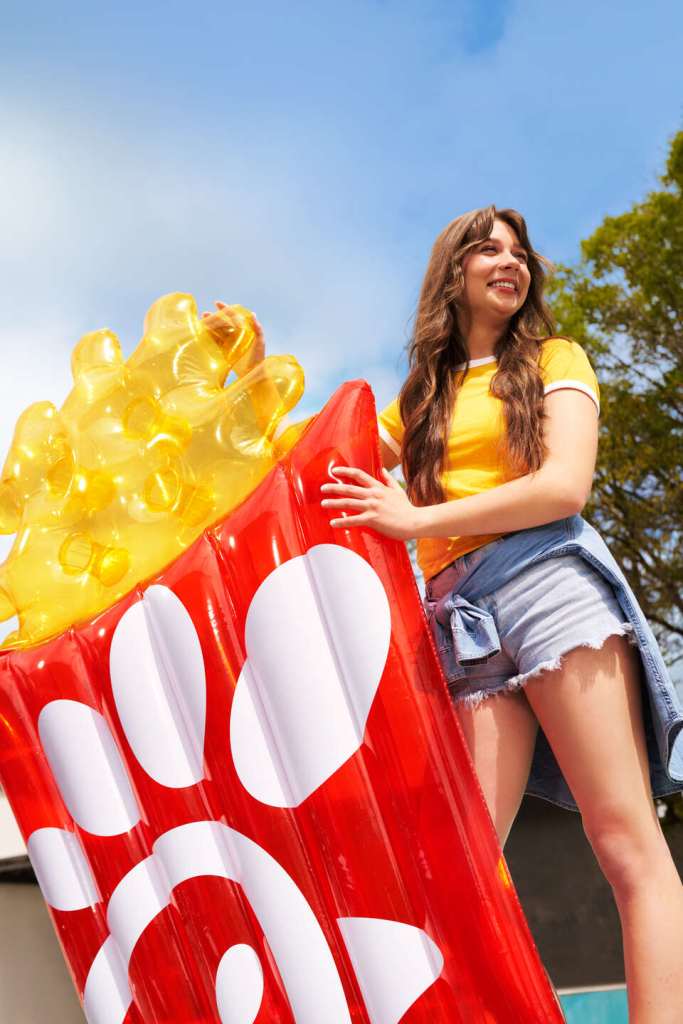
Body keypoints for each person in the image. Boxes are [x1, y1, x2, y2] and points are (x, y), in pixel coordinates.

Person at [205, 205, 683, 1022]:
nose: (511, 261)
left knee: (623, 842)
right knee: (463, 868)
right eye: (487, 249)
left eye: (519, 252)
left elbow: (564, 487)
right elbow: (310, 465)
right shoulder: (421, 397)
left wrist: (415, 521)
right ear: (451, 273)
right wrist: (248, 371)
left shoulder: (553, 359)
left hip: (548, 585)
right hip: (459, 621)